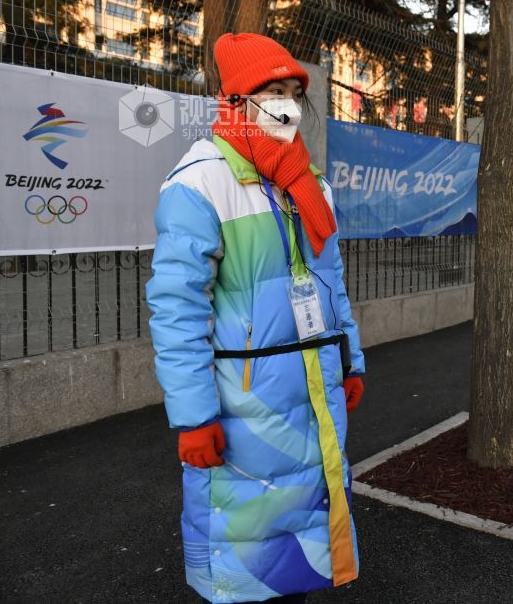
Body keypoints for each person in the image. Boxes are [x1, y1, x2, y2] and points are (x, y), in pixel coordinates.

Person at [146, 33, 366, 604]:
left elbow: (331, 282)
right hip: (244, 403)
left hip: (315, 387)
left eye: (295, 91)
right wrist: (193, 416)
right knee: (243, 542)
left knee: (308, 535)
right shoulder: (198, 183)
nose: (289, 102)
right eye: (274, 90)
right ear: (238, 99)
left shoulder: (308, 183)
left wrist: (351, 359)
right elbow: (177, 309)